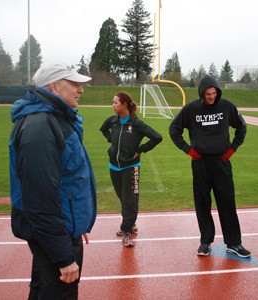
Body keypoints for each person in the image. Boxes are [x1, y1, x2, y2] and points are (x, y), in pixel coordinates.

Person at [9, 62, 97, 299]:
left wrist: (77, 222)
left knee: (43, 289)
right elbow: (39, 199)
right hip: (55, 234)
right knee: (60, 293)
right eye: (74, 84)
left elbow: (66, 181)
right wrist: (63, 256)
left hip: (61, 228)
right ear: (54, 87)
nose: (80, 90)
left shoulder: (53, 120)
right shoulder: (40, 126)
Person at [169, 74, 251, 258]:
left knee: (227, 201)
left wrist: (233, 148)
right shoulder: (191, 109)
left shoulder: (227, 106)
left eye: (214, 93)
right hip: (200, 162)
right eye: (208, 94)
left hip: (222, 161)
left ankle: (234, 243)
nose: (211, 97)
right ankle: (205, 242)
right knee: (202, 202)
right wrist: (188, 150)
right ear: (202, 93)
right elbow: (174, 129)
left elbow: (241, 127)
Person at [100, 91, 162, 247]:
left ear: (124, 105)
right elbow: (103, 129)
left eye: (115, 102)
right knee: (123, 197)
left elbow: (157, 137)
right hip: (114, 165)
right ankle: (131, 223)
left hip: (131, 166)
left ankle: (126, 231)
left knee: (130, 199)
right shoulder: (113, 121)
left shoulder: (136, 123)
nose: (113, 105)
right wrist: (112, 142)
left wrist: (141, 149)